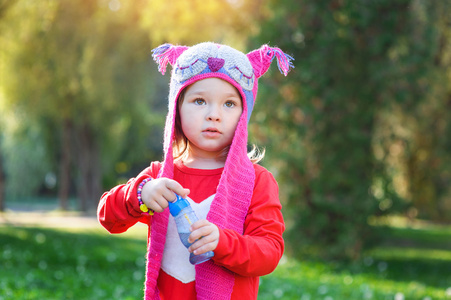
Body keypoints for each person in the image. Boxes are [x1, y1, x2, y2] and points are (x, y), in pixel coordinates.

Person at [97, 42, 293, 300]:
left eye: (229, 104)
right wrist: (140, 195)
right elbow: (107, 216)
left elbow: (268, 252)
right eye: (199, 101)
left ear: (244, 114)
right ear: (177, 108)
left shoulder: (256, 181)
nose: (214, 115)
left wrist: (223, 243)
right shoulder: (159, 178)